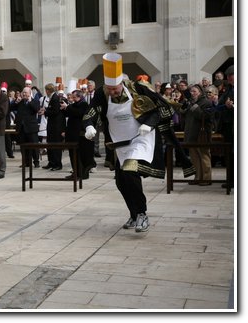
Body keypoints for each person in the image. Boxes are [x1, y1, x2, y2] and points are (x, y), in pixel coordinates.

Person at [84, 53, 168, 233]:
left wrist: (148, 124)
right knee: (121, 181)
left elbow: (159, 108)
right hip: (119, 144)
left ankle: (143, 215)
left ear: (122, 84)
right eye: (109, 89)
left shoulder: (138, 89)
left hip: (141, 138)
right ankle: (134, 213)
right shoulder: (101, 93)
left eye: (115, 89)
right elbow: (91, 112)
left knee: (130, 172)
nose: (112, 93)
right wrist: (89, 126)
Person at [180, 84, 214, 185]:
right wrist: (184, 107)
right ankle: (198, 177)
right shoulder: (190, 102)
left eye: (194, 91)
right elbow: (183, 114)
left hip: (201, 134)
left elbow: (205, 116)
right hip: (191, 133)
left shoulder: (206, 102)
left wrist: (194, 106)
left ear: (200, 92)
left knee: (204, 156)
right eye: (191, 91)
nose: (192, 93)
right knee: (194, 157)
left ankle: (206, 179)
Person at [62, 89, 95, 179]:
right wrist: (64, 108)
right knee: (73, 155)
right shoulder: (73, 105)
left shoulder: (83, 104)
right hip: (71, 133)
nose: (72, 99)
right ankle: (76, 172)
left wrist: (67, 107)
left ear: (79, 97)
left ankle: (81, 173)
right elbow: (68, 113)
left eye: (74, 97)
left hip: (78, 134)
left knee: (79, 155)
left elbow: (79, 113)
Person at [11, 86, 40, 168]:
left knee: (34, 146)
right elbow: (10, 108)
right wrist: (16, 102)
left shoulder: (35, 101)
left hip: (31, 128)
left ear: (30, 93)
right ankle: (26, 162)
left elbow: (36, 109)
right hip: (21, 128)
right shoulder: (20, 102)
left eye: (26, 92)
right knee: (23, 146)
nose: (24, 94)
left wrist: (30, 102)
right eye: (23, 92)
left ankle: (36, 162)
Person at [217, 65, 234, 189]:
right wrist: (225, 104)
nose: (230, 78)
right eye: (228, 76)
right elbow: (220, 104)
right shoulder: (227, 89)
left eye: (231, 75)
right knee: (230, 153)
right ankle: (231, 180)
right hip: (228, 125)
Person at [41, 83, 65, 171]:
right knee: (50, 144)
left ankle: (57, 164)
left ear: (47, 90)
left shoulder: (55, 98)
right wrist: (47, 110)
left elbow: (55, 112)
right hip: (52, 125)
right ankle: (51, 162)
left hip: (56, 126)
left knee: (55, 145)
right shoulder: (53, 97)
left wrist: (45, 112)